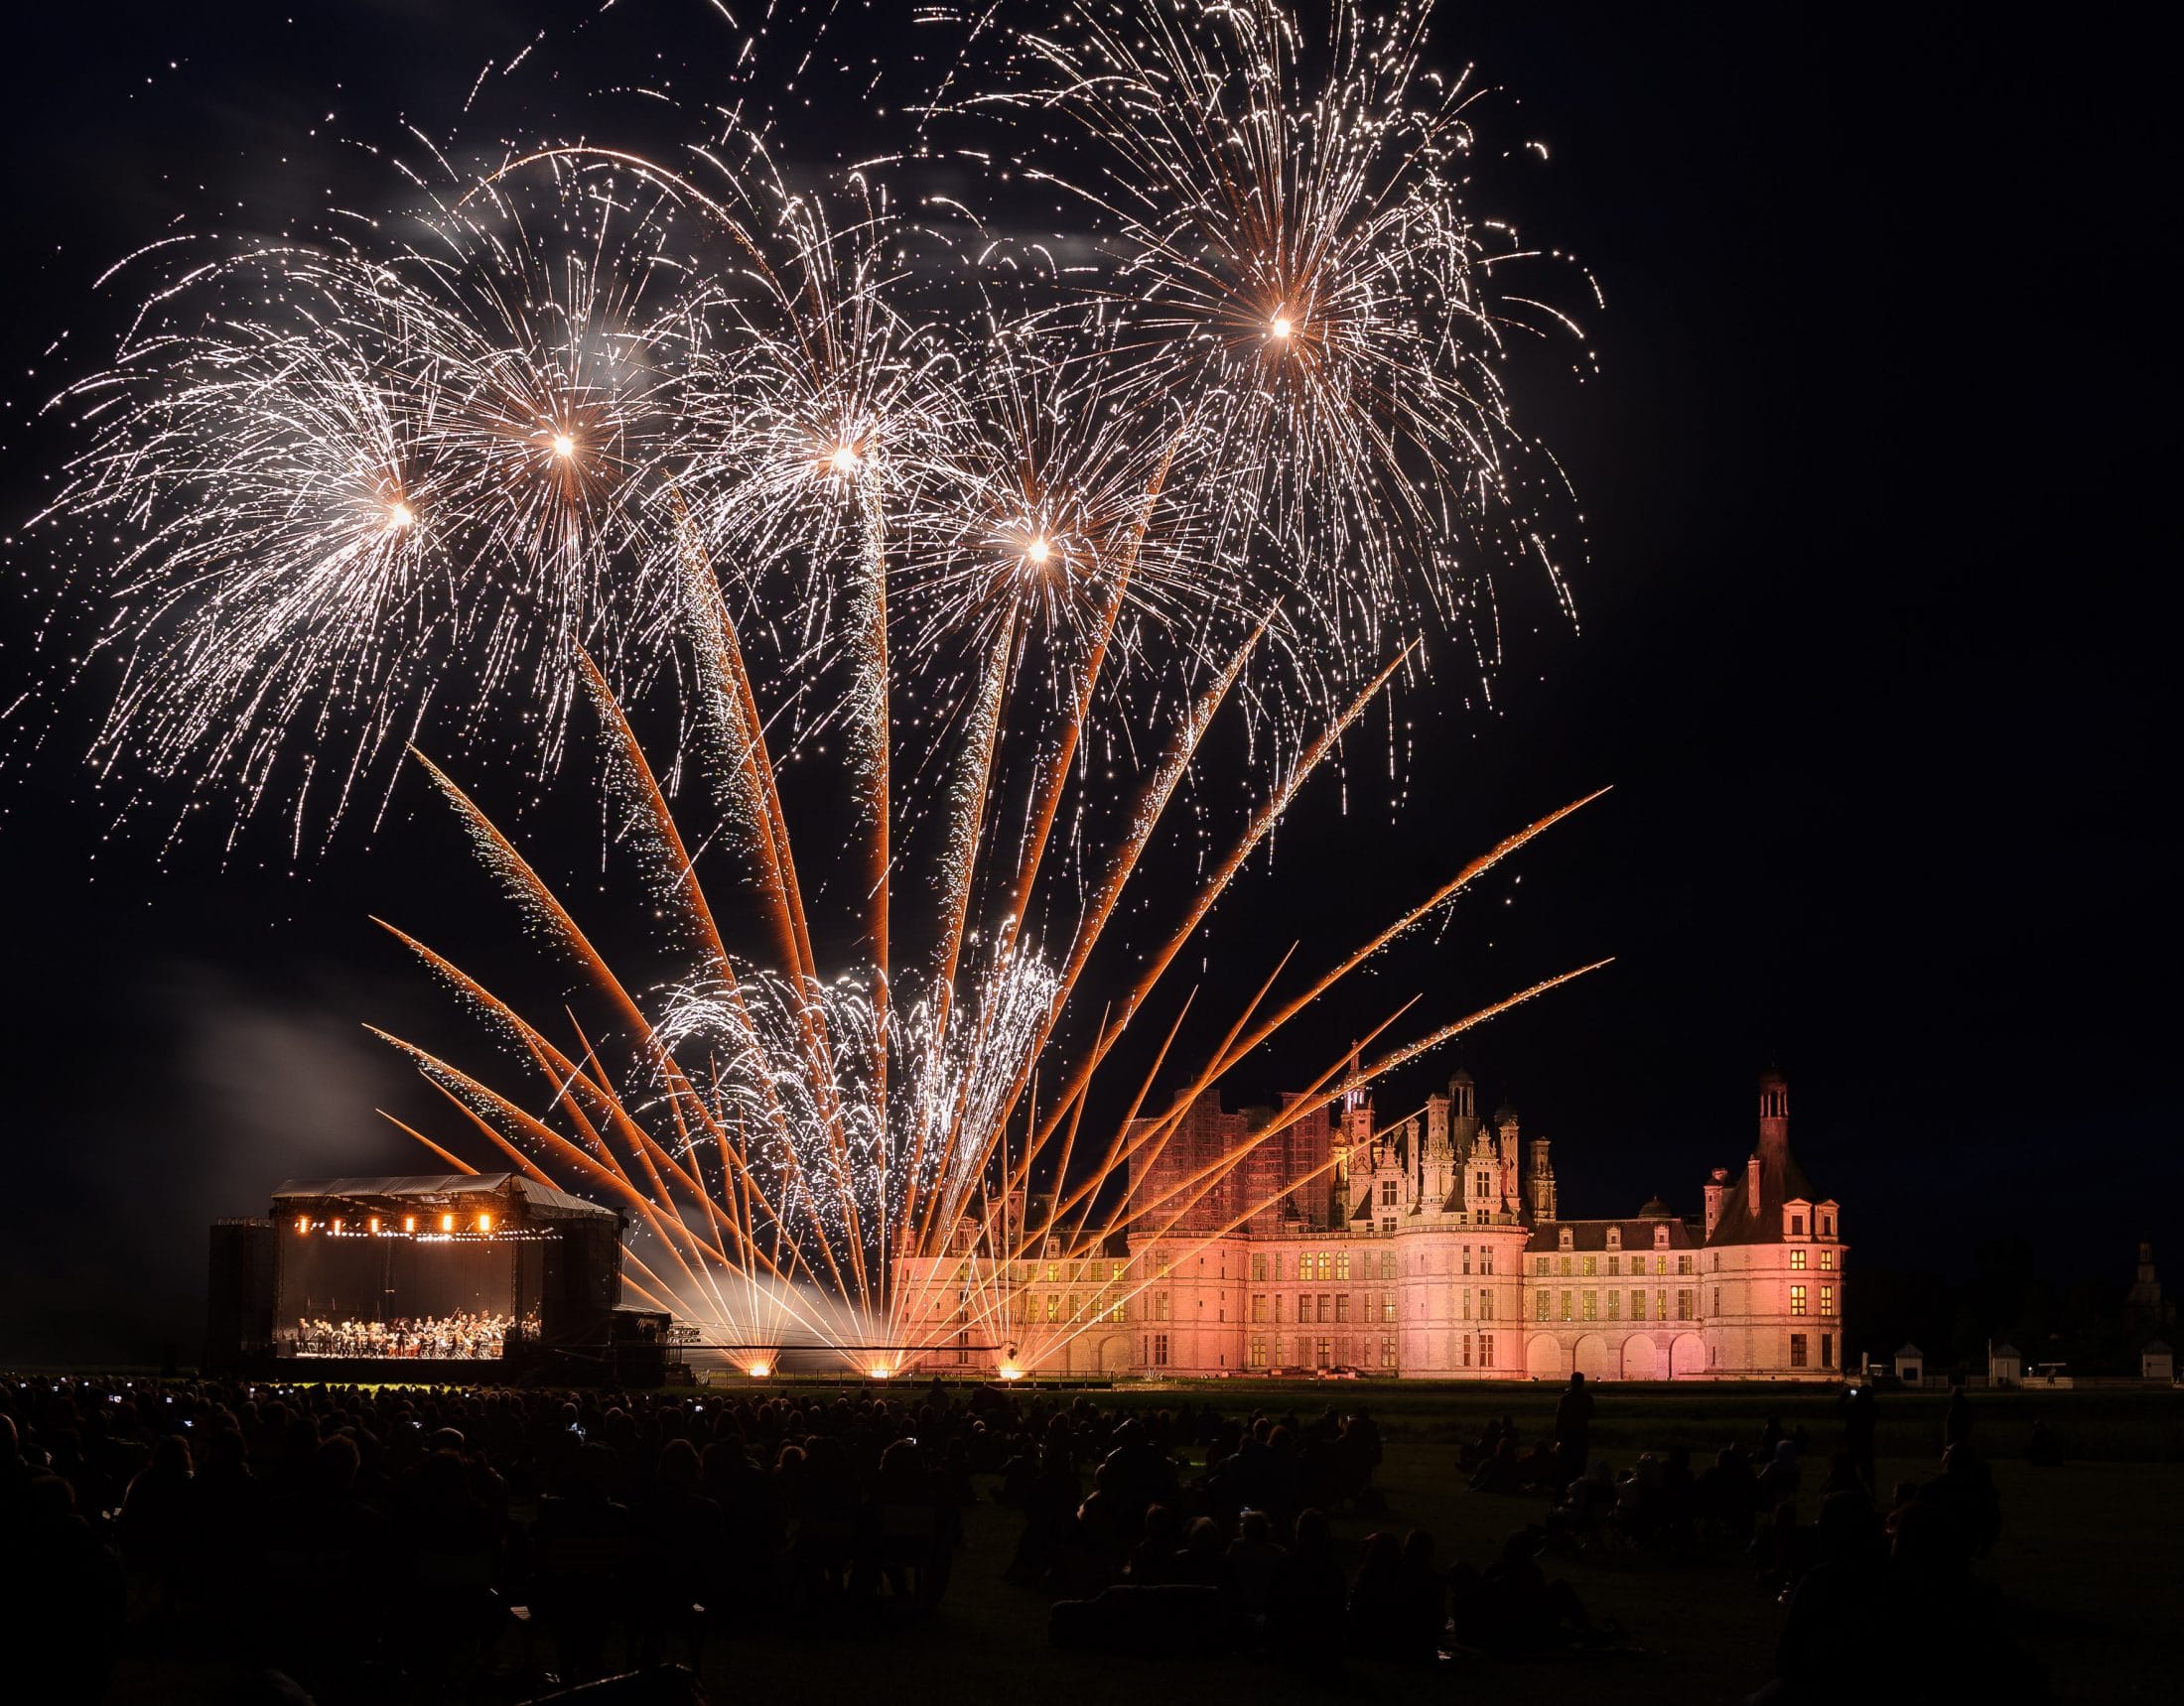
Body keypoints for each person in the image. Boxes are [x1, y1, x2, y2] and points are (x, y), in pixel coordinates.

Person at [1553, 1370, 1593, 1490]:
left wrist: (1557, 1438)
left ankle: (1565, 1491)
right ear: (1583, 1383)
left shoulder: (1565, 1398)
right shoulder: (1587, 1398)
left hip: (1567, 1436)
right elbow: (1591, 1414)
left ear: (1571, 1382)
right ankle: (1578, 1489)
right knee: (1580, 1464)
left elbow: (1559, 1419)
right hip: (1581, 1435)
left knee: (1565, 1465)